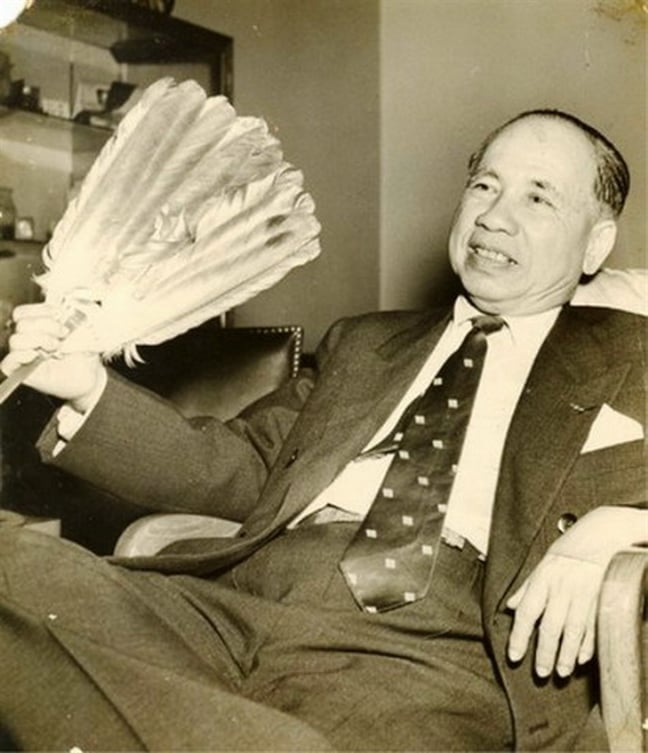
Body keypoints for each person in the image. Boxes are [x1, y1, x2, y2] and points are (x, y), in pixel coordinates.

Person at [0, 109, 645, 752]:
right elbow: (246, 463)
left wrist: (615, 529)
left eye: (538, 197)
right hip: (231, 603)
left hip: (425, 655)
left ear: (595, 245)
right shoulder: (366, 343)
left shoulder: (632, 356)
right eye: (484, 185)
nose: (494, 216)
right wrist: (87, 386)